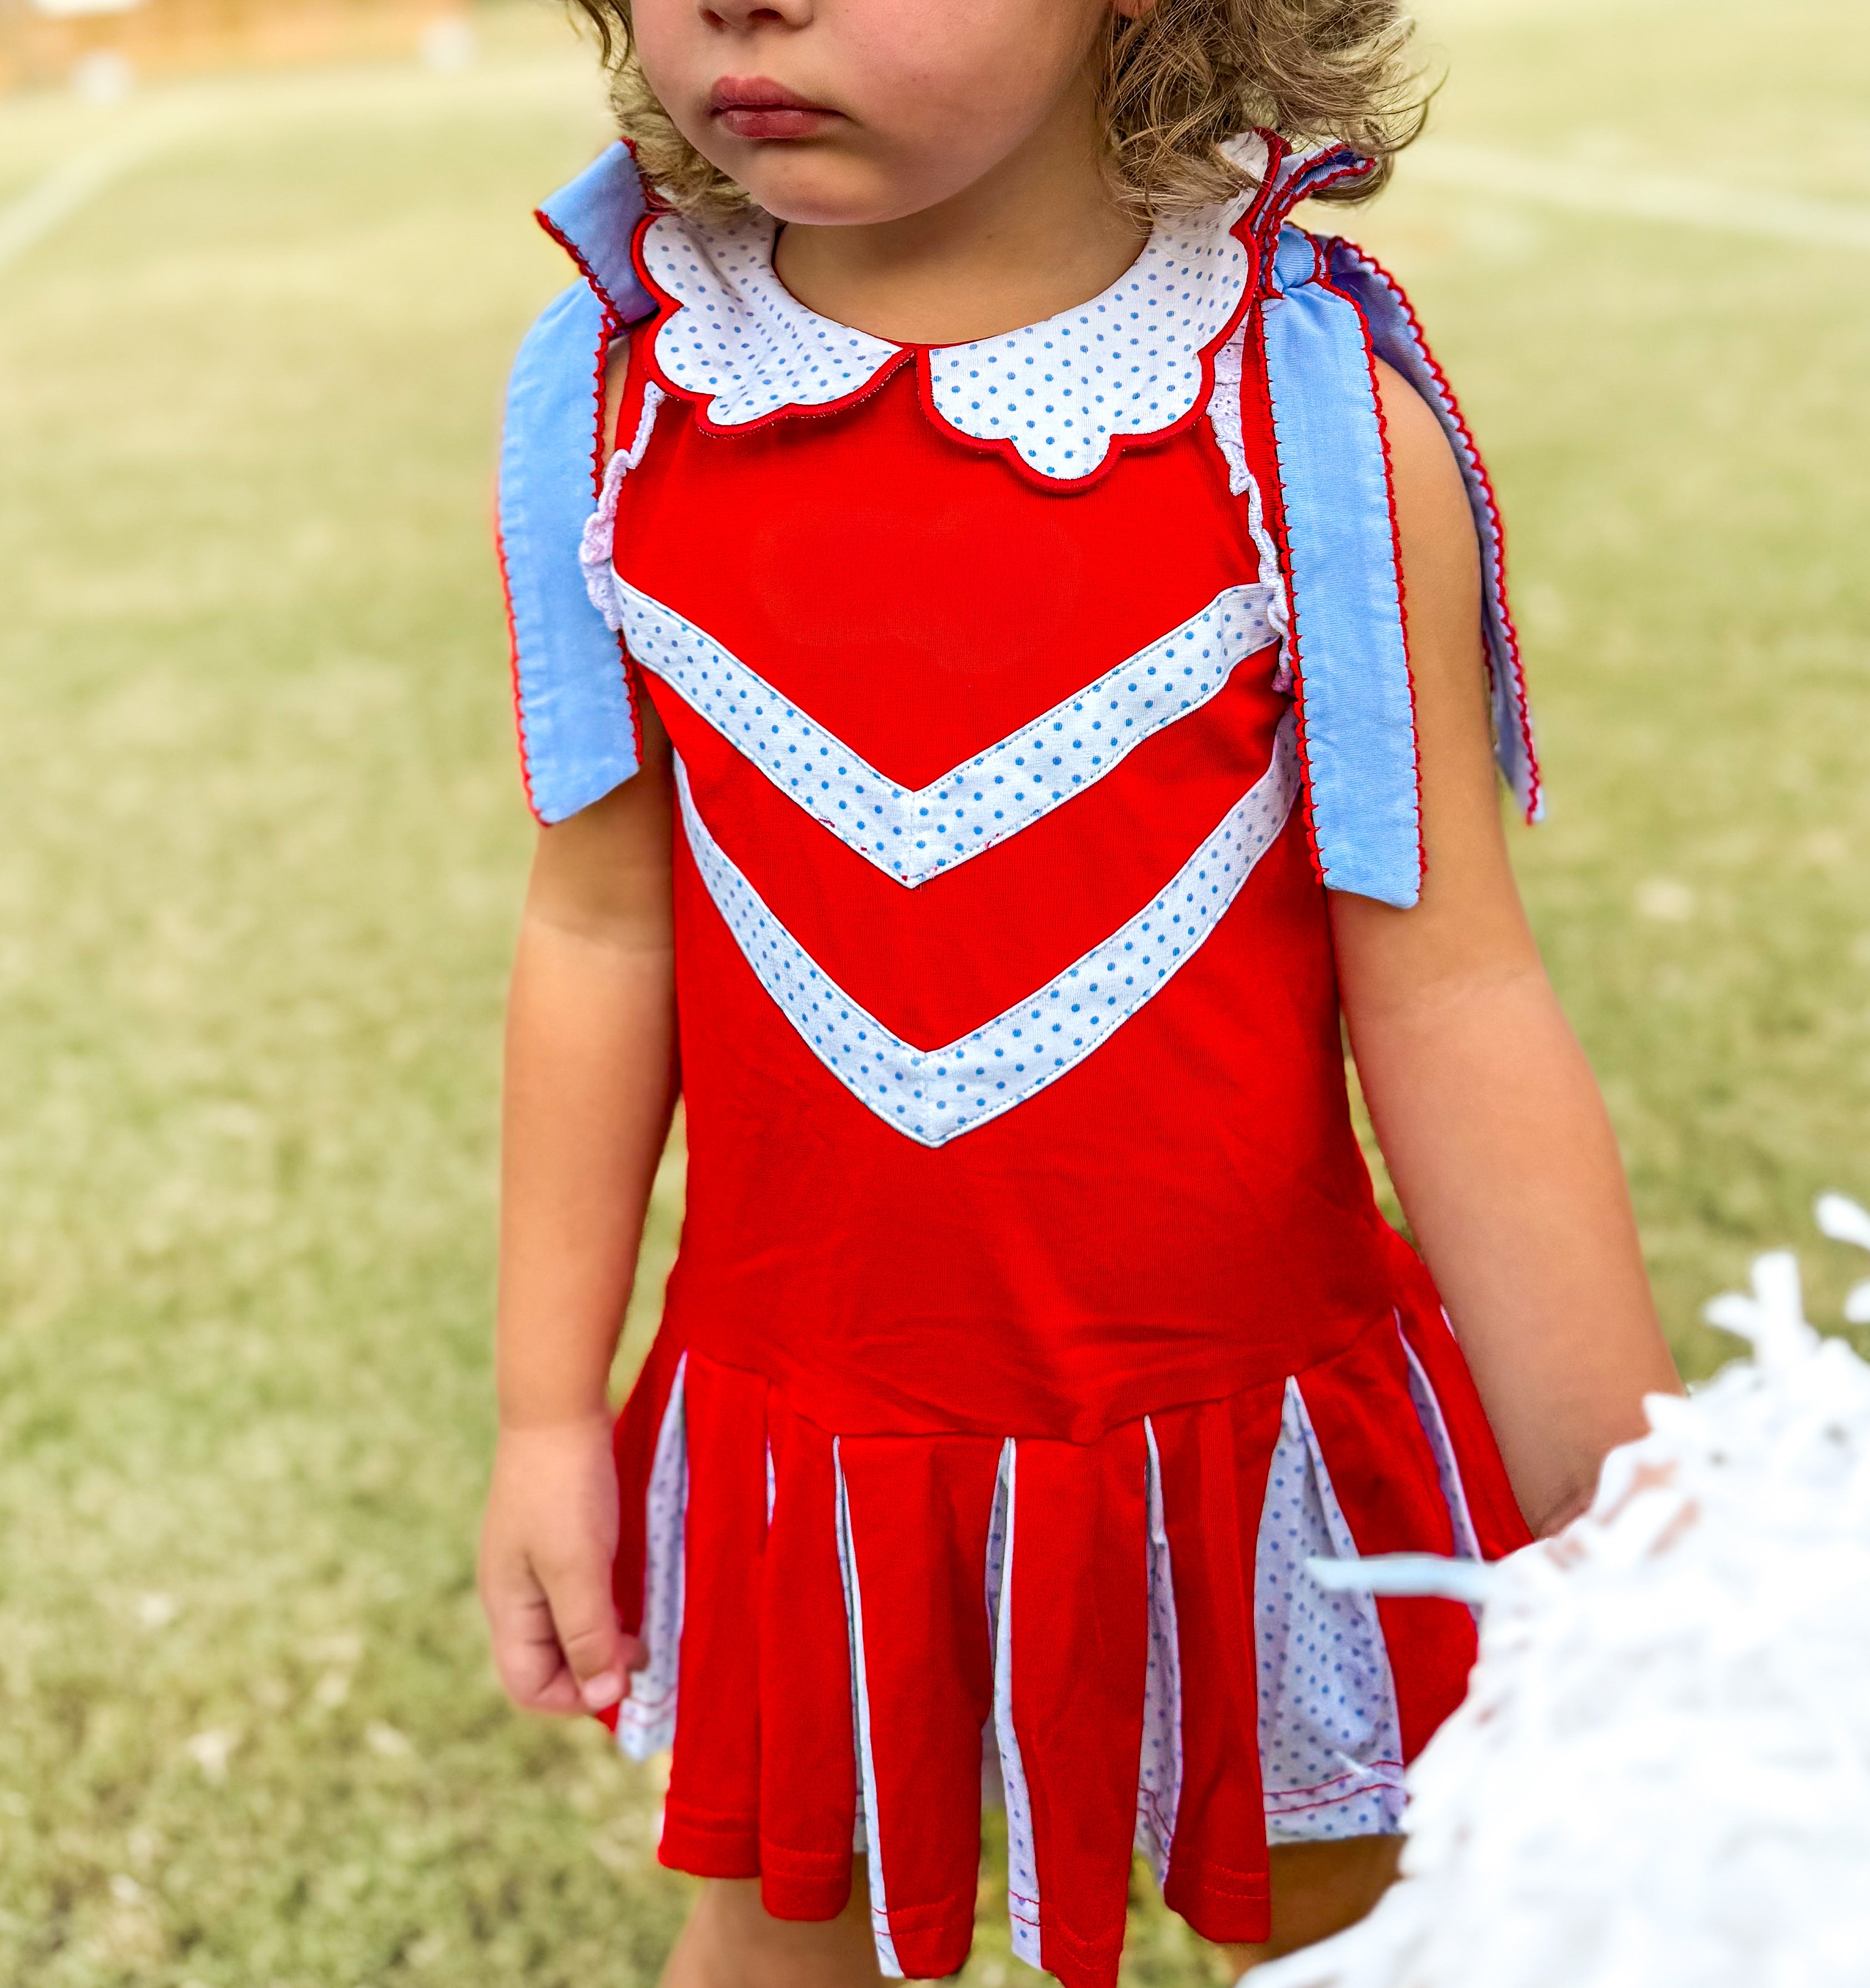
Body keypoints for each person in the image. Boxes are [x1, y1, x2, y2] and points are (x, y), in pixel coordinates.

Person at [477, 0, 1681, 1982]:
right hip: (817, 1446)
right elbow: (602, 923)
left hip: (1260, 1449)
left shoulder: (1299, 411)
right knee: (784, 1934)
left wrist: (1628, 1515)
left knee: (1401, 1926)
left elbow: (1452, 990)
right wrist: (545, 1419)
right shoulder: (614, 389)